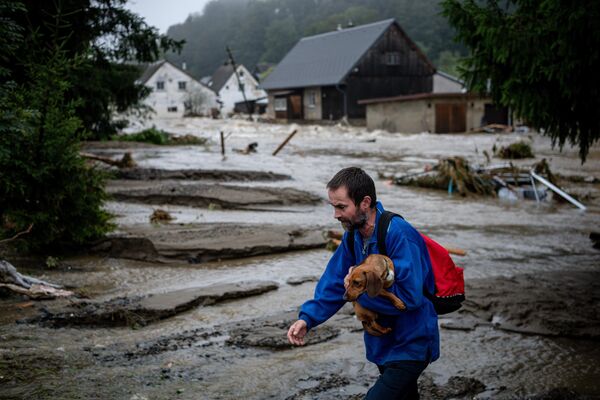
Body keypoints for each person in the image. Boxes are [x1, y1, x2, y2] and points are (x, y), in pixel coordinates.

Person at [287, 167, 439, 399]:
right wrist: (307, 318)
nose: (336, 215)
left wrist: (361, 292)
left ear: (365, 203)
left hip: (411, 344)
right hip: (382, 344)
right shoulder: (353, 236)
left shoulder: (399, 234)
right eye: (333, 207)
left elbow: (410, 298)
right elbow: (336, 282)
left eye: (341, 206)